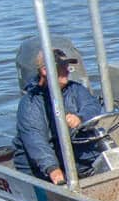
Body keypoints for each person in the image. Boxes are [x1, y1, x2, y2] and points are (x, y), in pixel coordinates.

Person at [12, 46, 104, 184]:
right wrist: (53, 170)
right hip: (39, 170)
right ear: (44, 71)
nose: (68, 70)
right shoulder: (31, 103)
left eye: (67, 65)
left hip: (71, 157)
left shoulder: (76, 89)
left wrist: (81, 117)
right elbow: (36, 141)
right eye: (62, 66)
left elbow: (92, 106)